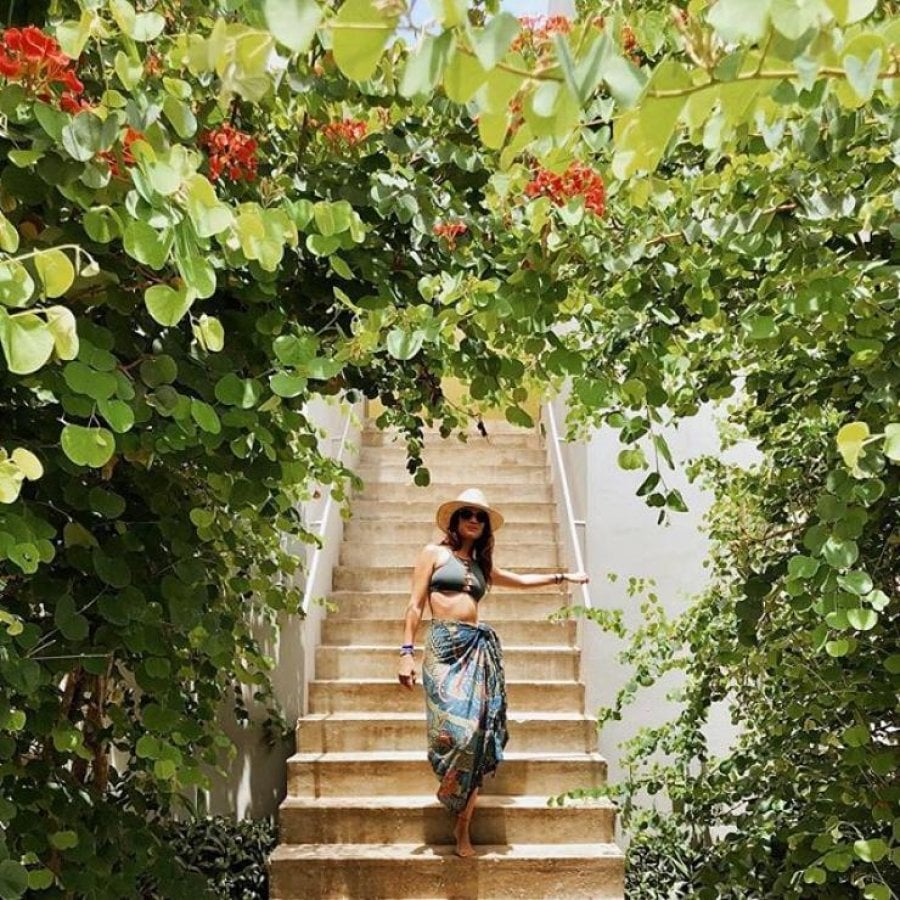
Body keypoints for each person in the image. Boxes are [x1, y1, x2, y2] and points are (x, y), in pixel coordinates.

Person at [398, 487, 590, 858]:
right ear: (455, 520)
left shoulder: (482, 567)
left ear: (485, 527)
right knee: (455, 732)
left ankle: (463, 826)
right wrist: (405, 652)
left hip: (478, 649)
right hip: (442, 646)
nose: (473, 519)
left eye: (480, 516)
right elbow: (414, 604)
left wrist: (564, 577)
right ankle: (452, 794)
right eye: (467, 513)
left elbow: (518, 580)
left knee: (479, 735)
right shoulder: (433, 554)